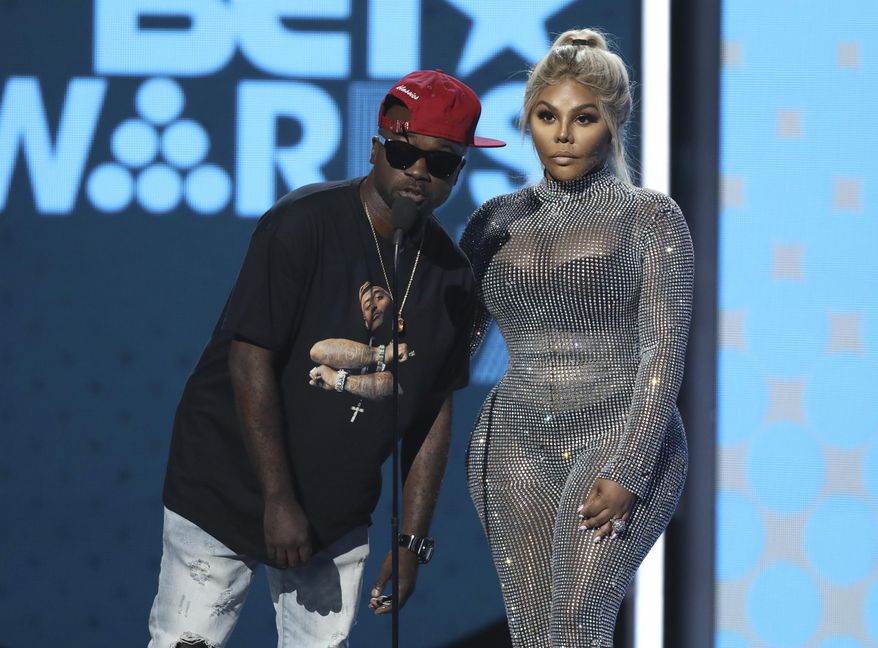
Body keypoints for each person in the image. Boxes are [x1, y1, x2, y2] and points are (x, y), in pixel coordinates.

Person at [148, 69, 504, 648]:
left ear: (458, 171)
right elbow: (249, 359)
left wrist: (412, 542)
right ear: (375, 148)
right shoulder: (302, 223)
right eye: (403, 152)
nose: (418, 173)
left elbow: (432, 412)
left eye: (440, 164)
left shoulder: (452, 276)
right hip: (225, 488)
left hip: (336, 511)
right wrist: (278, 501)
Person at [460, 29, 693, 647]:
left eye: (582, 118)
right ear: (528, 119)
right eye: (546, 116)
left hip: (621, 436)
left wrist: (631, 469)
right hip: (515, 445)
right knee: (534, 637)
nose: (562, 134)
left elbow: (662, 356)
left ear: (612, 121)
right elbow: (453, 350)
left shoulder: (651, 218)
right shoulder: (494, 221)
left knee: (578, 628)